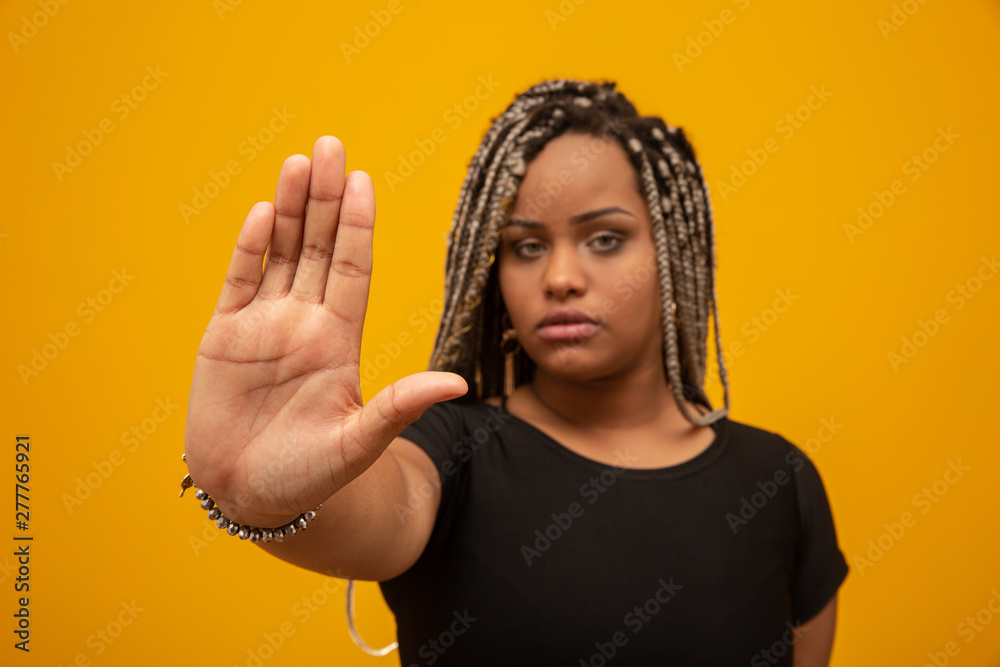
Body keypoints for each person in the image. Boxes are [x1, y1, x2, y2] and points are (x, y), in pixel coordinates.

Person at [181, 79, 849, 666]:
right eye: (526, 246)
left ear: (672, 251)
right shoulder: (455, 450)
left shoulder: (777, 481)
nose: (559, 277)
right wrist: (263, 493)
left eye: (605, 238)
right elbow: (377, 511)